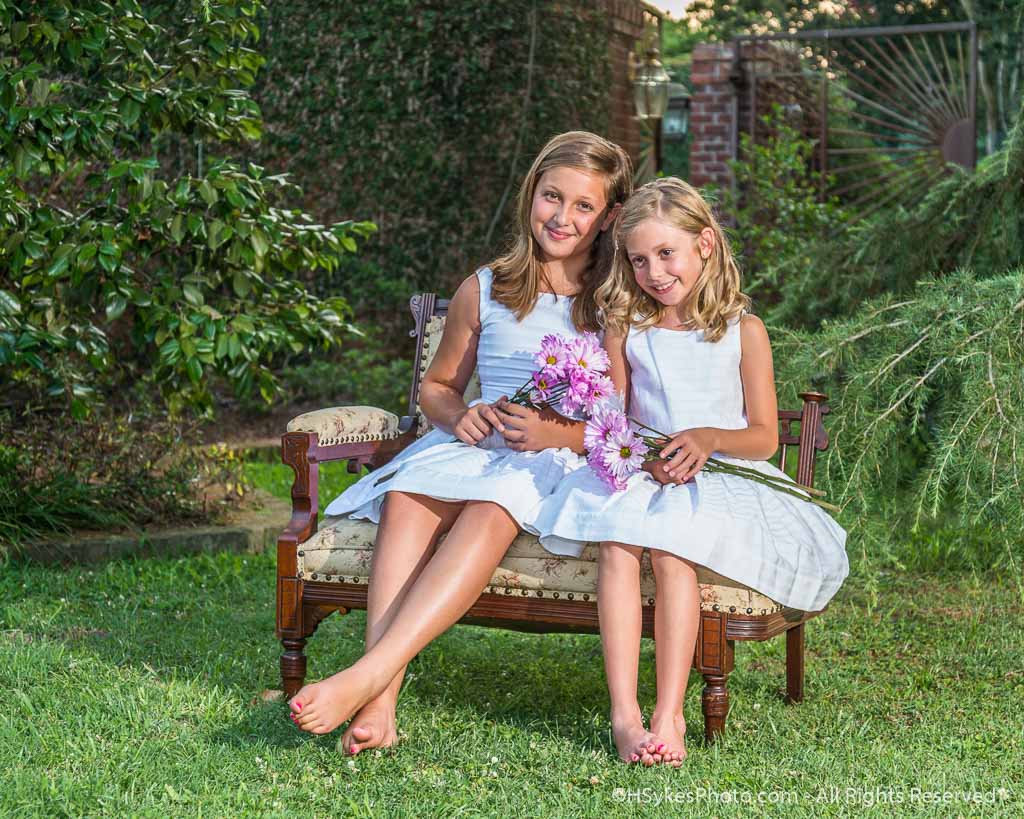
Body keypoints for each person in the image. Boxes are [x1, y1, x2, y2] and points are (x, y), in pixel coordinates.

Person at [287, 132, 634, 751]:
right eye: (551, 196)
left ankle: (366, 677)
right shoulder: (487, 288)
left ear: (608, 216)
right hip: (478, 445)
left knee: (491, 508)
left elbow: (625, 420)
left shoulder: (613, 303)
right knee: (407, 498)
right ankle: (382, 702)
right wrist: (459, 414)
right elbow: (437, 387)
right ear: (532, 194)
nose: (562, 216)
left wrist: (561, 432)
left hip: (553, 458)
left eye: (583, 206)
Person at [529, 178, 849, 766]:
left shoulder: (742, 331)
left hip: (720, 474)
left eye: (666, 254)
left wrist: (707, 438)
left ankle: (668, 712)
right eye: (640, 260)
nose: (654, 272)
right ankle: (624, 713)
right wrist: (641, 457)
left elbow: (763, 437)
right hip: (646, 470)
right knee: (618, 543)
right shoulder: (628, 327)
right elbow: (616, 418)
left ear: (705, 244)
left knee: (674, 551)